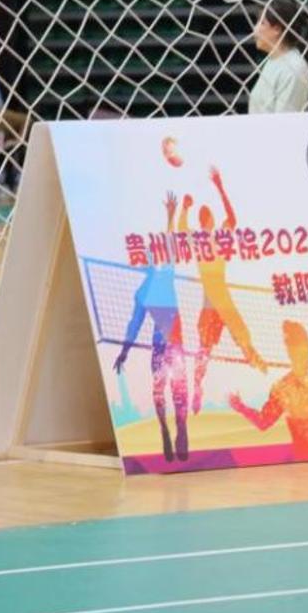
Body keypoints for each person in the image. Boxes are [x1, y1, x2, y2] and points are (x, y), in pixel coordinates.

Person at [180, 167, 266, 415]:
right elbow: (184, 229)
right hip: (214, 299)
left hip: (217, 297)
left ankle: (251, 360)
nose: (208, 220)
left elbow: (231, 218)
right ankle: (199, 386)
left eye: (206, 216)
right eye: (206, 217)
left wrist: (216, 188)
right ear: (206, 221)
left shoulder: (216, 238)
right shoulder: (200, 240)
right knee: (208, 348)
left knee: (220, 343)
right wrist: (188, 206)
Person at [114, 193, 190, 462]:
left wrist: (170, 216)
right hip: (164, 345)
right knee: (162, 392)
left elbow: (168, 245)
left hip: (172, 344)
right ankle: (166, 432)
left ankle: (180, 430)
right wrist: (124, 351)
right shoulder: (144, 292)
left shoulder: (163, 275)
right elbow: (134, 325)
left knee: (175, 391)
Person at [230, 321, 308, 462]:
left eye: (305, 348)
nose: (304, 354)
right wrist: (240, 406)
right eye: (298, 349)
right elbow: (263, 422)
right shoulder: (283, 390)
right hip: (300, 466)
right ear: (290, 352)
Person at [249, 0, 308, 114]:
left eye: (262, 23)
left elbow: (286, 122)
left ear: (277, 29)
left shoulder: (294, 68)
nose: (255, 29)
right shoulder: (273, 61)